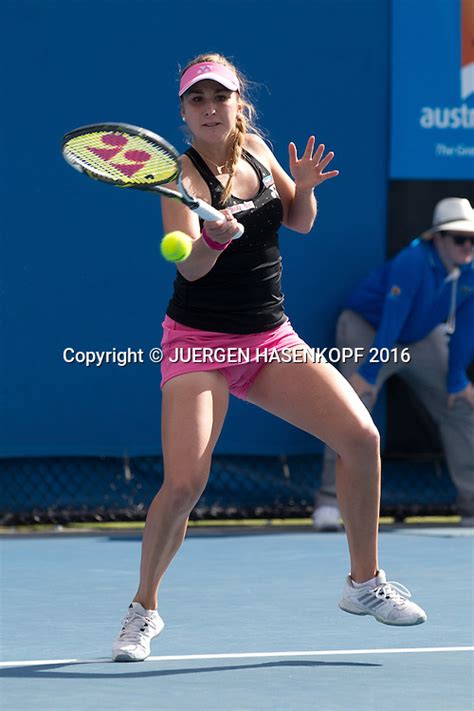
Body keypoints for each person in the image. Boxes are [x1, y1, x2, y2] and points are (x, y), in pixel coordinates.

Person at [111, 53, 427, 663]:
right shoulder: (178, 176)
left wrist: (302, 189)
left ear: (238, 102)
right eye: (197, 100)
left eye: (219, 97)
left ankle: (363, 584)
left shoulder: (256, 147)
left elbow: (298, 221)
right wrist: (211, 236)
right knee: (184, 484)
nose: (209, 109)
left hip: (269, 338)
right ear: (183, 112)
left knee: (361, 438)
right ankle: (142, 610)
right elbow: (192, 267)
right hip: (197, 342)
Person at [313, 197, 474, 532]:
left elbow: (466, 326)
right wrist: (369, 373)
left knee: (459, 404)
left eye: (473, 239)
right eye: (460, 238)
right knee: (352, 407)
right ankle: (329, 502)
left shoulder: (470, 269)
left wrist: (457, 378)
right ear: (438, 239)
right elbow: (392, 319)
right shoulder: (413, 260)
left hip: (420, 337)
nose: (468, 246)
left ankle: (471, 505)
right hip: (368, 330)